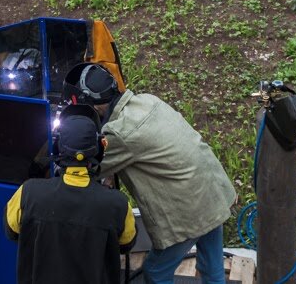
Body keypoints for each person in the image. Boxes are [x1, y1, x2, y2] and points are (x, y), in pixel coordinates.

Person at [63, 63, 237, 284]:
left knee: (156, 272)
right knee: (211, 268)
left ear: (92, 106)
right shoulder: (147, 100)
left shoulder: (119, 132)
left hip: (190, 206)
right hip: (212, 190)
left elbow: (87, 167)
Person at [4, 106, 137, 284]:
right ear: (98, 150)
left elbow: (12, 232)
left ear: (58, 148)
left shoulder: (28, 194)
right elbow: (126, 243)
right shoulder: (118, 205)